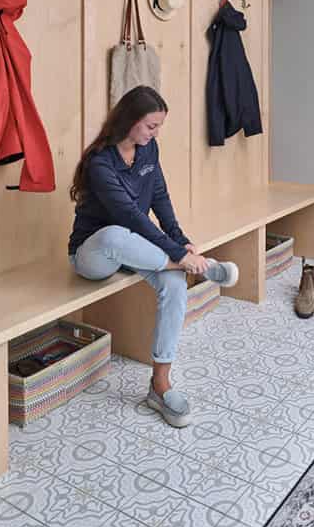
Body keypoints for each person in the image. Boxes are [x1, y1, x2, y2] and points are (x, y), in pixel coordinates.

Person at [68, 85, 238, 427]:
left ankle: (159, 385)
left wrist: (182, 241)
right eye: (150, 126)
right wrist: (177, 254)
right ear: (128, 121)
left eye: (159, 126)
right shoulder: (101, 162)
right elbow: (130, 215)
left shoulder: (149, 151)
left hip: (140, 249)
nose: (155, 133)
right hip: (94, 254)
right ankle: (195, 267)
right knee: (118, 234)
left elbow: (159, 198)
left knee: (175, 283)